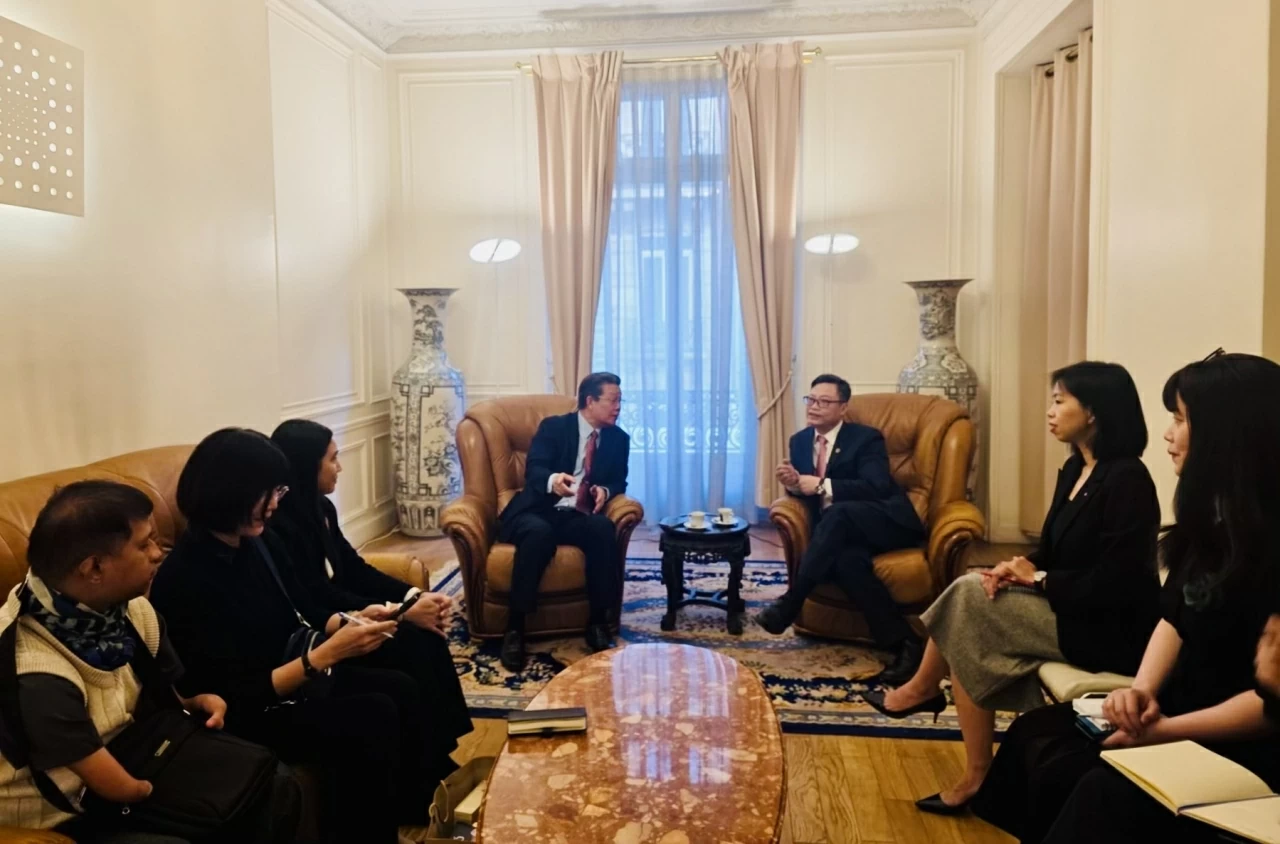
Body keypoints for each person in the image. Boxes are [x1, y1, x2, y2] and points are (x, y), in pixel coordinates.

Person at [973, 352, 1280, 844]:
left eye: (1180, 420)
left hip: (1239, 738)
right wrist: (1140, 693)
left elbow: (1271, 706)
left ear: (1229, 435)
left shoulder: (1269, 548)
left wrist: (1167, 730)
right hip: (1177, 706)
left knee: (1099, 791)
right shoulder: (1213, 528)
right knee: (1035, 737)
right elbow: (1173, 620)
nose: (1168, 435)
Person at [864, 361, 1161, 815]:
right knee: (973, 609)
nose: (1050, 412)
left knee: (968, 599)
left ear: (1094, 412)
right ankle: (973, 770)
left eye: (1060, 401)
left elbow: (1118, 581)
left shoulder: (1128, 479)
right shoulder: (1075, 469)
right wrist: (1014, 568)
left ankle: (925, 695)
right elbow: (1053, 550)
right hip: (1071, 607)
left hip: (1108, 628)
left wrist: (1037, 579)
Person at [150, 429, 451, 844]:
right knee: (373, 713)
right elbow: (234, 694)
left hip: (289, 675)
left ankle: (416, 808)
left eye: (279, 490)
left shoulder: (256, 543)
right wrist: (323, 657)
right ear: (231, 492)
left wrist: (356, 619)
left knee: (398, 687)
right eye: (268, 493)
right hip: (246, 710)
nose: (276, 504)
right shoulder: (186, 579)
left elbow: (303, 604)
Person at [0, 481, 299, 844]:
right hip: (65, 806)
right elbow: (118, 787)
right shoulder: (34, 670)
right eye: (144, 545)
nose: (159, 554)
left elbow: (162, 697)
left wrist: (192, 703)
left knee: (275, 783)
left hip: (132, 751)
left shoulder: (132, 610)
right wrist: (155, 788)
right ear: (94, 568)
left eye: (156, 539)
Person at [269, 418, 472, 750]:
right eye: (332, 459)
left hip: (347, 611)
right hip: (324, 628)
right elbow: (314, 595)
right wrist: (400, 612)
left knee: (428, 637)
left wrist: (414, 595)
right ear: (307, 466)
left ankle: (445, 748)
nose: (340, 467)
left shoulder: (321, 507)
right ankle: (432, 756)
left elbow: (353, 568)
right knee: (412, 643)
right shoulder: (277, 527)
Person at [755, 374, 926, 684]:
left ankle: (791, 602)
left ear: (843, 408)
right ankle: (905, 642)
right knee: (848, 562)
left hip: (885, 522)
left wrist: (823, 485)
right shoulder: (799, 442)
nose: (814, 407)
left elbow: (876, 486)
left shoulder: (866, 438)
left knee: (839, 512)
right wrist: (793, 485)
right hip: (839, 534)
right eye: (811, 399)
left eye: (824, 401)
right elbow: (807, 493)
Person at [497, 372, 629, 672]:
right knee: (538, 534)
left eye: (620, 400)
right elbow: (534, 469)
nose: (618, 407)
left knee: (602, 529)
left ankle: (598, 621)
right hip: (537, 510)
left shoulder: (619, 439)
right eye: (613, 400)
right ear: (590, 401)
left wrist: (604, 490)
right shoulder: (554, 427)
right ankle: (515, 628)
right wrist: (553, 480)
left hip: (575, 515)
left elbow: (618, 481)